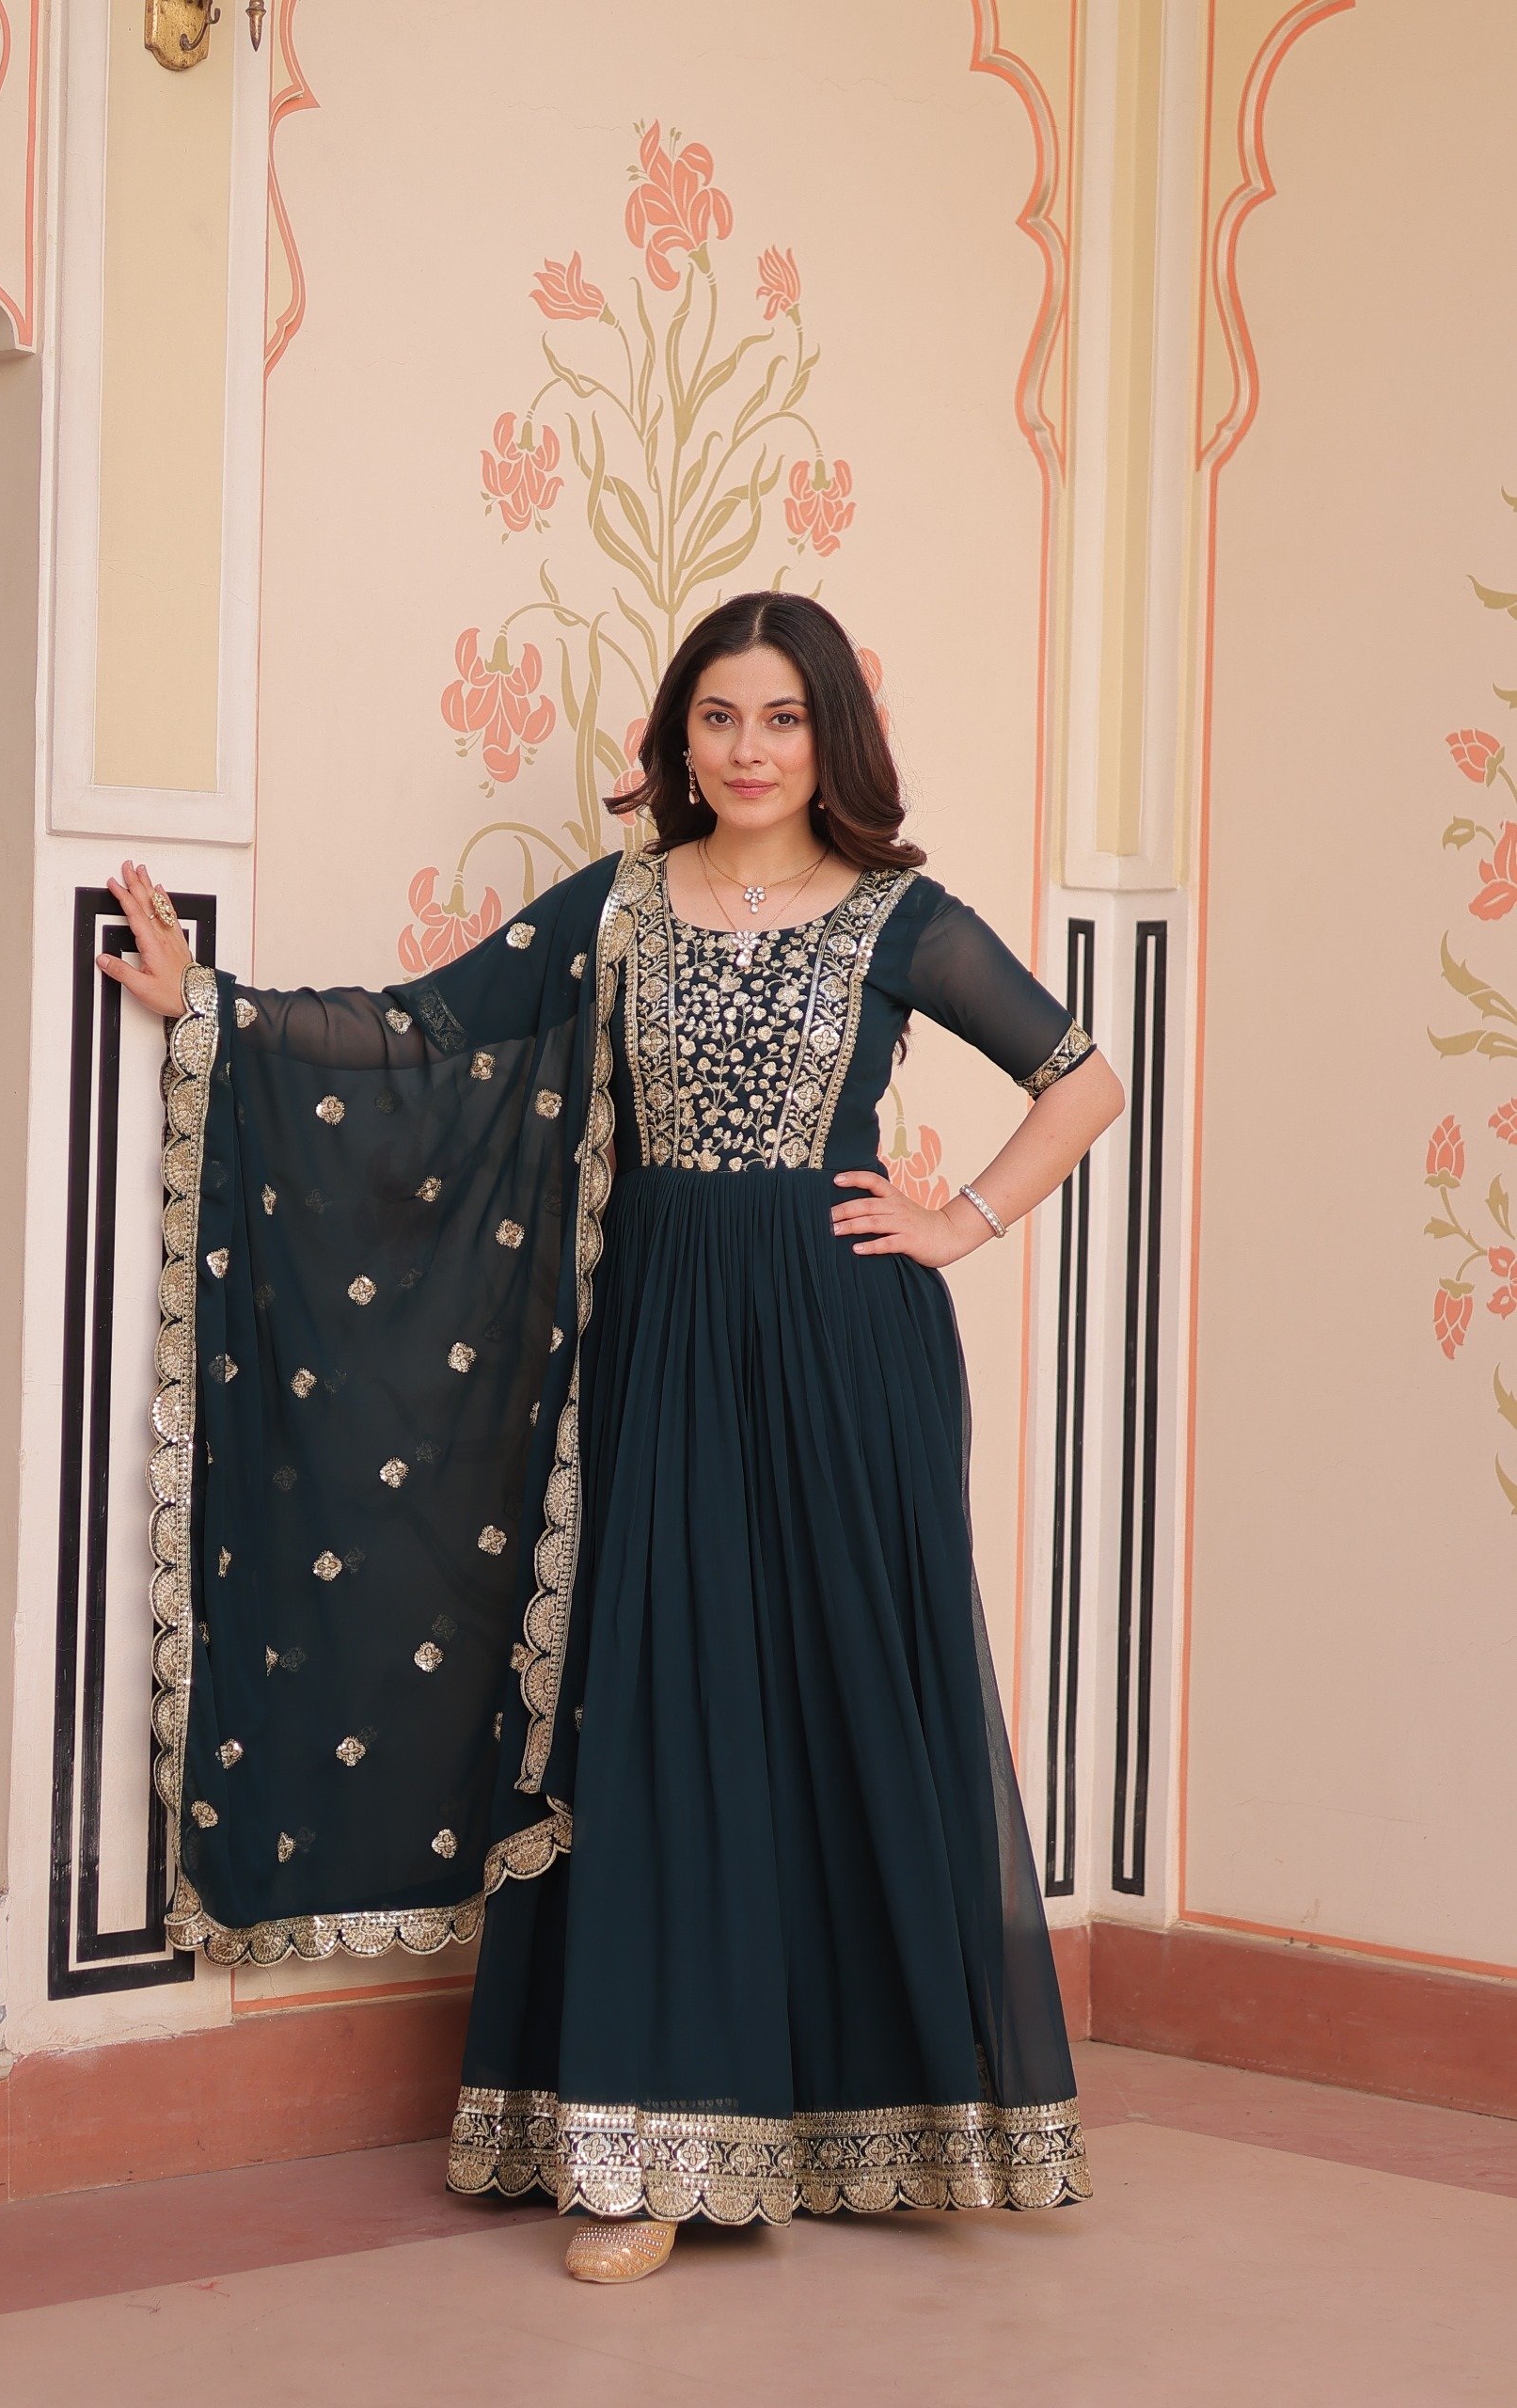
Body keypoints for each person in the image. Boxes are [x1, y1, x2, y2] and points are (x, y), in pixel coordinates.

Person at [103, 590, 1124, 2285]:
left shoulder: (898, 918)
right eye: (717, 717)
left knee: (849, 1692)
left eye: (780, 718)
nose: (747, 749)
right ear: (677, 739)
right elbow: (426, 1032)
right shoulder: (621, 906)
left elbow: (1081, 1078)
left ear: (830, 739)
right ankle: (644, 2151)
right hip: (659, 1345)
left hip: (846, 1350)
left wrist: (964, 1223)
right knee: (661, 1705)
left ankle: (877, 2112)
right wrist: (213, 1007)